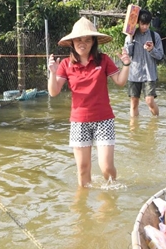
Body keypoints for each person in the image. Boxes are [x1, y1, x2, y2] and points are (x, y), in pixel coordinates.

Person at [48, 17, 132, 187]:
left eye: (87, 39)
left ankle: (111, 196)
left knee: (107, 168)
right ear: (72, 42)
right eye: (79, 39)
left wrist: (126, 64)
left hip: (104, 119)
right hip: (79, 122)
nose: (82, 43)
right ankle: (83, 209)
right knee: (83, 168)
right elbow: (54, 91)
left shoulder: (103, 60)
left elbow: (120, 82)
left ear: (94, 41)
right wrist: (52, 72)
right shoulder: (65, 64)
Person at [125, 10, 164, 117]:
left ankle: (156, 122)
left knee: (149, 101)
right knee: (134, 104)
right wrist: (130, 38)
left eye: (147, 24)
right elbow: (128, 53)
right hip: (134, 74)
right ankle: (134, 131)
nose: (145, 27)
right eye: (142, 24)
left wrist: (152, 49)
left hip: (149, 74)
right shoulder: (131, 35)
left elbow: (160, 55)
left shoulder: (154, 36)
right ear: (138, 23)